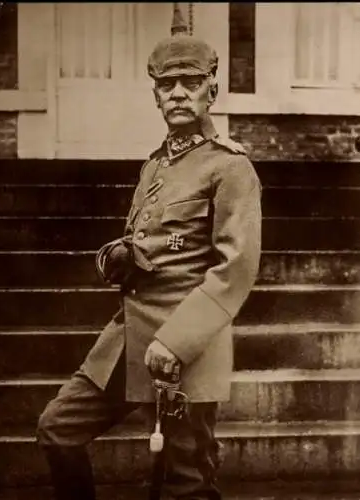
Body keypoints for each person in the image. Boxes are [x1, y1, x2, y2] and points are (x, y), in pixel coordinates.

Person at [36, 18, 262, 500]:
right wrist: (122, 255)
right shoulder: (156, 165)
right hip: (128, 337)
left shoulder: (230, 167)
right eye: (167, 84)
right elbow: (149, 241)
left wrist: (176, 343)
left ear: (212, 91)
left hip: (185, 346)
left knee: (186, 482)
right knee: (58, 428)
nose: (179, 93)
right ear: (156, 96)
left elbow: (234, 271)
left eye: (191, 82)